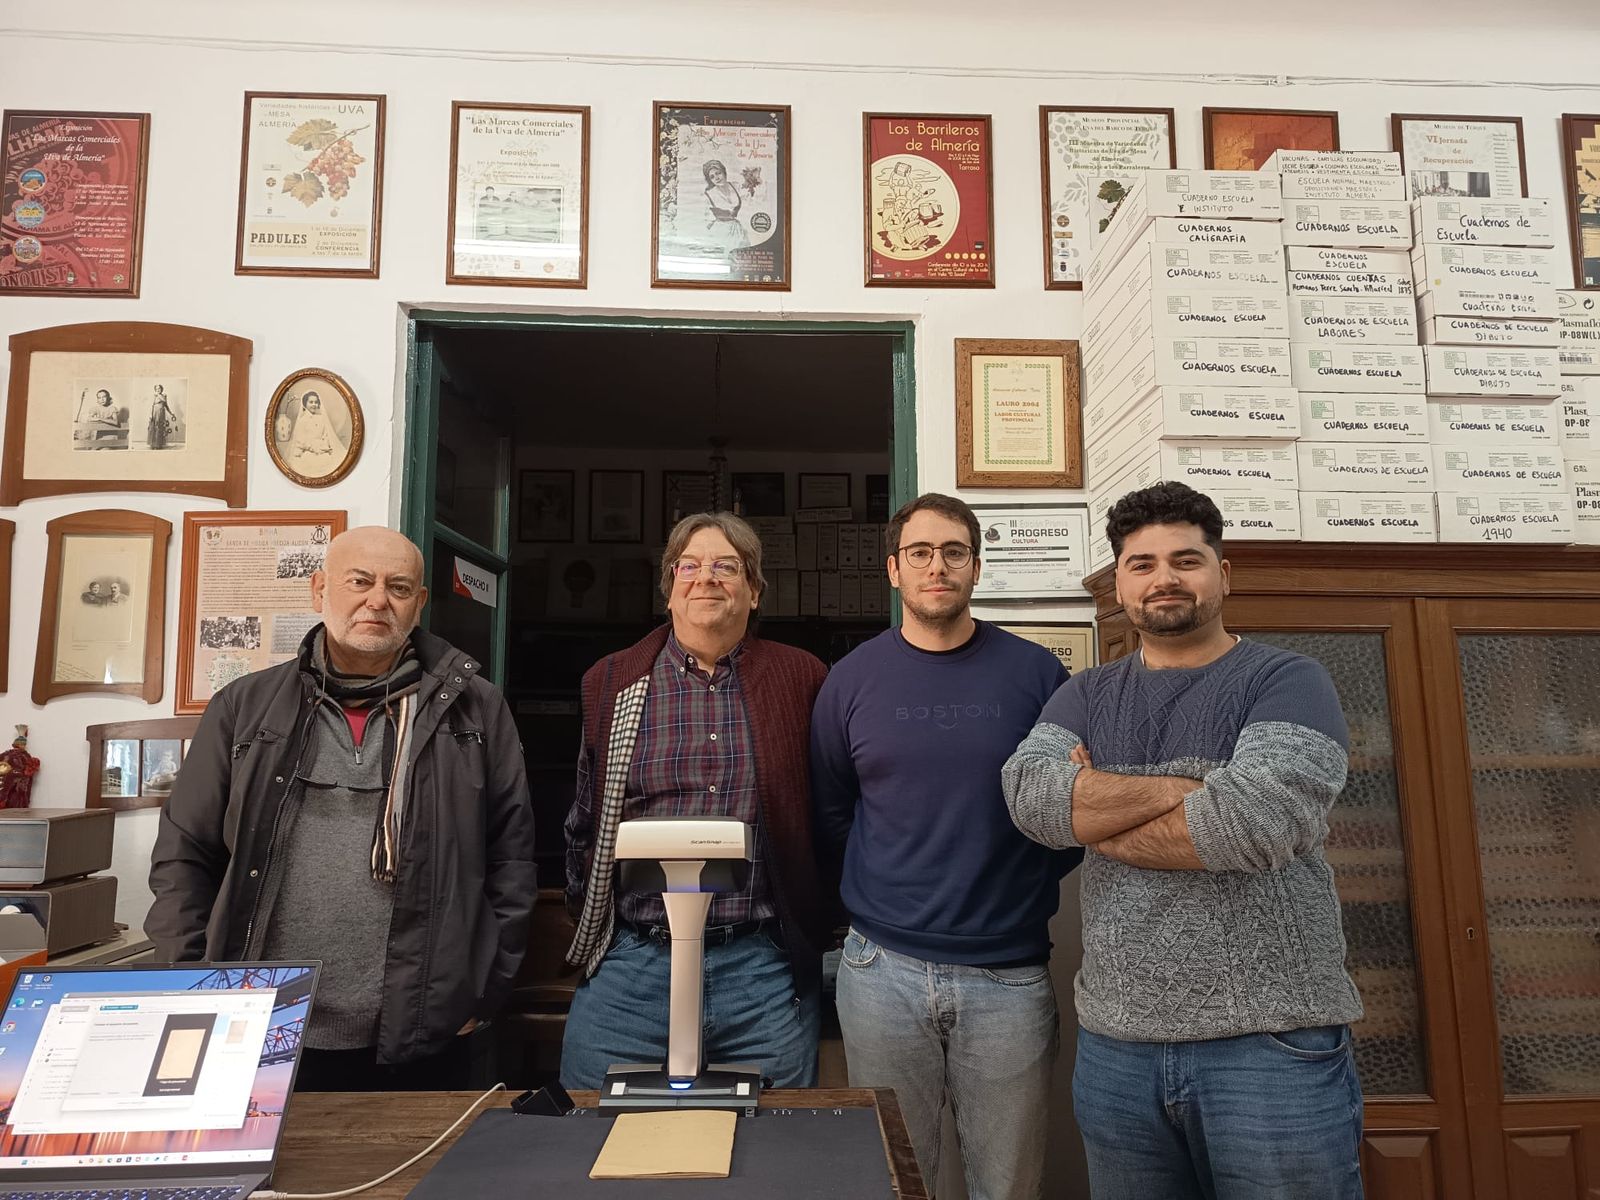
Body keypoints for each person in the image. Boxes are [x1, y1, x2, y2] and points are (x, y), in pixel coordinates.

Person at [1001, 482, 1363, 1200]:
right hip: (1117, 1046)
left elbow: (1251, 825)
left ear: (1221, 574)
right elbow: (1032, 804)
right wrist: (1195, 789)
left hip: (1269, 1044)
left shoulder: (1287, 680)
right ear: (1118, 585)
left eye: (1185, 559)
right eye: (1141, 564)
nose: (1163, 578)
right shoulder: (1087, 694)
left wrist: (1097, 814)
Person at [147, 526, 535, 1091]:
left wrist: (482, 990)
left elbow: (512, 860)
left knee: (423, 1180)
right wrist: (190, 982)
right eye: (360, 581)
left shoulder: (476, 710)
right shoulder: (245, 707)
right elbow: (185, 854)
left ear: (419, 603)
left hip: (426, 1027)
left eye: (398, 587)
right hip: (260, 1026)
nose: (378, 599)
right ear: (319, 589)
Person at [810, 493, 1078, 1200]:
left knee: (1008, 1185)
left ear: (977, 567)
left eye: (954, 552)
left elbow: (1068, 814)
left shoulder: (1037, 675)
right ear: (893, 570)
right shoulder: (850, 681)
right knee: (898, 1179)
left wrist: (1015, 887)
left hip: (1008, 977)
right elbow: (834, 812)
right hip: (880, 972)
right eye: (920, 552)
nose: (938, 566)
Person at [560, 511, 829, 1089]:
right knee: (587, 1133)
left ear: (754, 592)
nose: (706, 578)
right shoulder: (610, 681)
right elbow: (584, 821)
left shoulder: (802, 678)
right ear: (669, 588)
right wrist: (594, 925)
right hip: (634, 966)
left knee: (777, 1147)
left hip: (757, 967)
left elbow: (825, 817)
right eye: (690, 566)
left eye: (727, 567)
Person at [702, 160, 749, 252]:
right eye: (712, 177)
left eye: (718, 173)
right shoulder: (709, 194)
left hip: (737, 229)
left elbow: (749, 203)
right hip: (720, 231)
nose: (717, 178)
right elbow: (705, 219)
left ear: (724, 172)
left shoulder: (736, 186)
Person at [289, 390, 338, 465]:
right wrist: (314, 448)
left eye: (316, 402)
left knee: (329, 460)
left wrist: (324, 446)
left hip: (322, 449)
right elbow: (301, 440)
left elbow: (325, 435)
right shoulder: (302, 420)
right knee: (311, 461)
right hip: (307, 451)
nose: (314, 404)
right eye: (311, 402)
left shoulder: (321, 418)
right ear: (305, 404)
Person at [147, 383, 176, 449]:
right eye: (156, 389)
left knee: (160, 428)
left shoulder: (164, 396)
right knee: (155, 428)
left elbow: (166, 405)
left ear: (161, 389)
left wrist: (171, 413)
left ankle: (159, 445)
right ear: (155, 389)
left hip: (162, 413)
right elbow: (151, 406)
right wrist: (150, 415)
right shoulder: (154, 396)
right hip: (155, 412)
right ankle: (154, 445)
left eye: (159, 388)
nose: (158, 390)